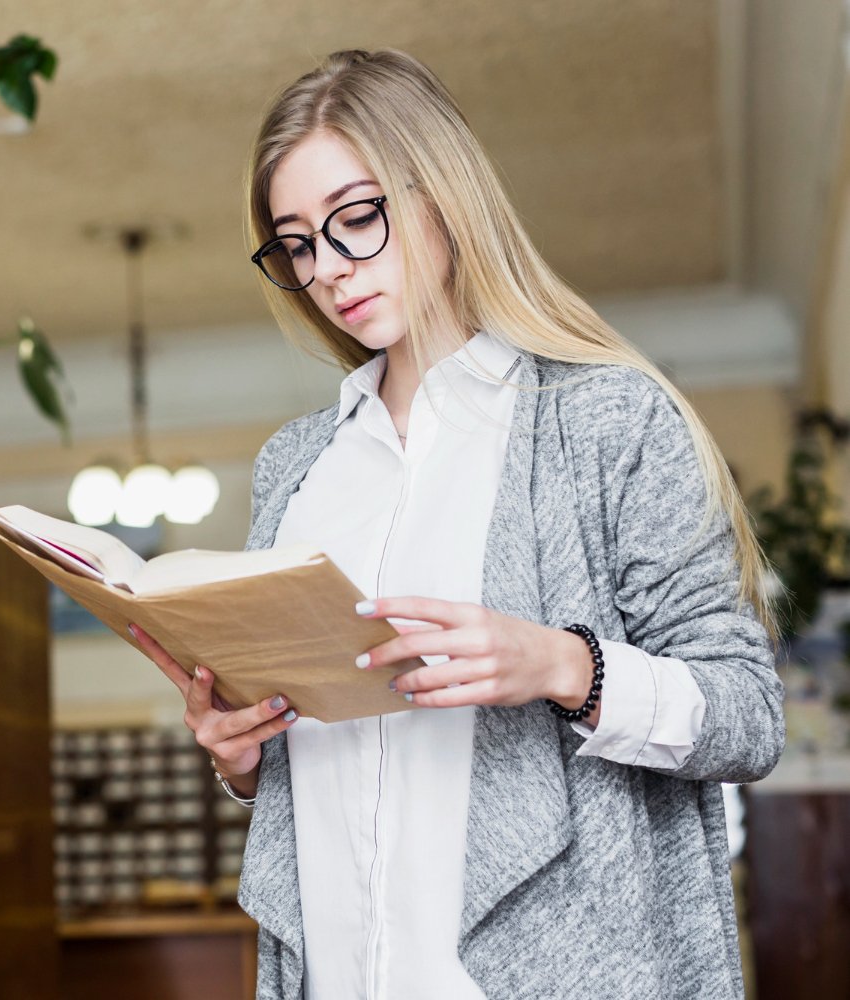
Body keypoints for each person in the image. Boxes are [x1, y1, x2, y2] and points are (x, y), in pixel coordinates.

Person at [128, 49, 783, 999]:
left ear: (440, 193)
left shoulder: (603, 421)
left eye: (357, 220)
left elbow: (748, 717)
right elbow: (324, 771)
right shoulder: (298, 467)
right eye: (299, 245)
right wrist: (242, 755)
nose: (331, 272)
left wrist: (566, 665)